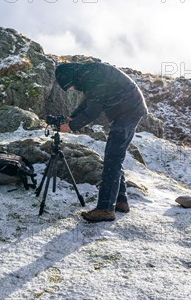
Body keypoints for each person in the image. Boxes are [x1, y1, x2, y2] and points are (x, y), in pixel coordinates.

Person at [55, 62, 148, 222]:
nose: (73, 89)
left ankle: (105, 209)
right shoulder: (88, 74)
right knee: (114, 157)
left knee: (113, 157)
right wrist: (73, 116)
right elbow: (89, 101)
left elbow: (93, 111)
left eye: (71, 86)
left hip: (129, 111)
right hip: (127, 110)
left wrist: (70, 126)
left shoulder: (93, 76)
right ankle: (120, 201)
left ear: (72, 76)